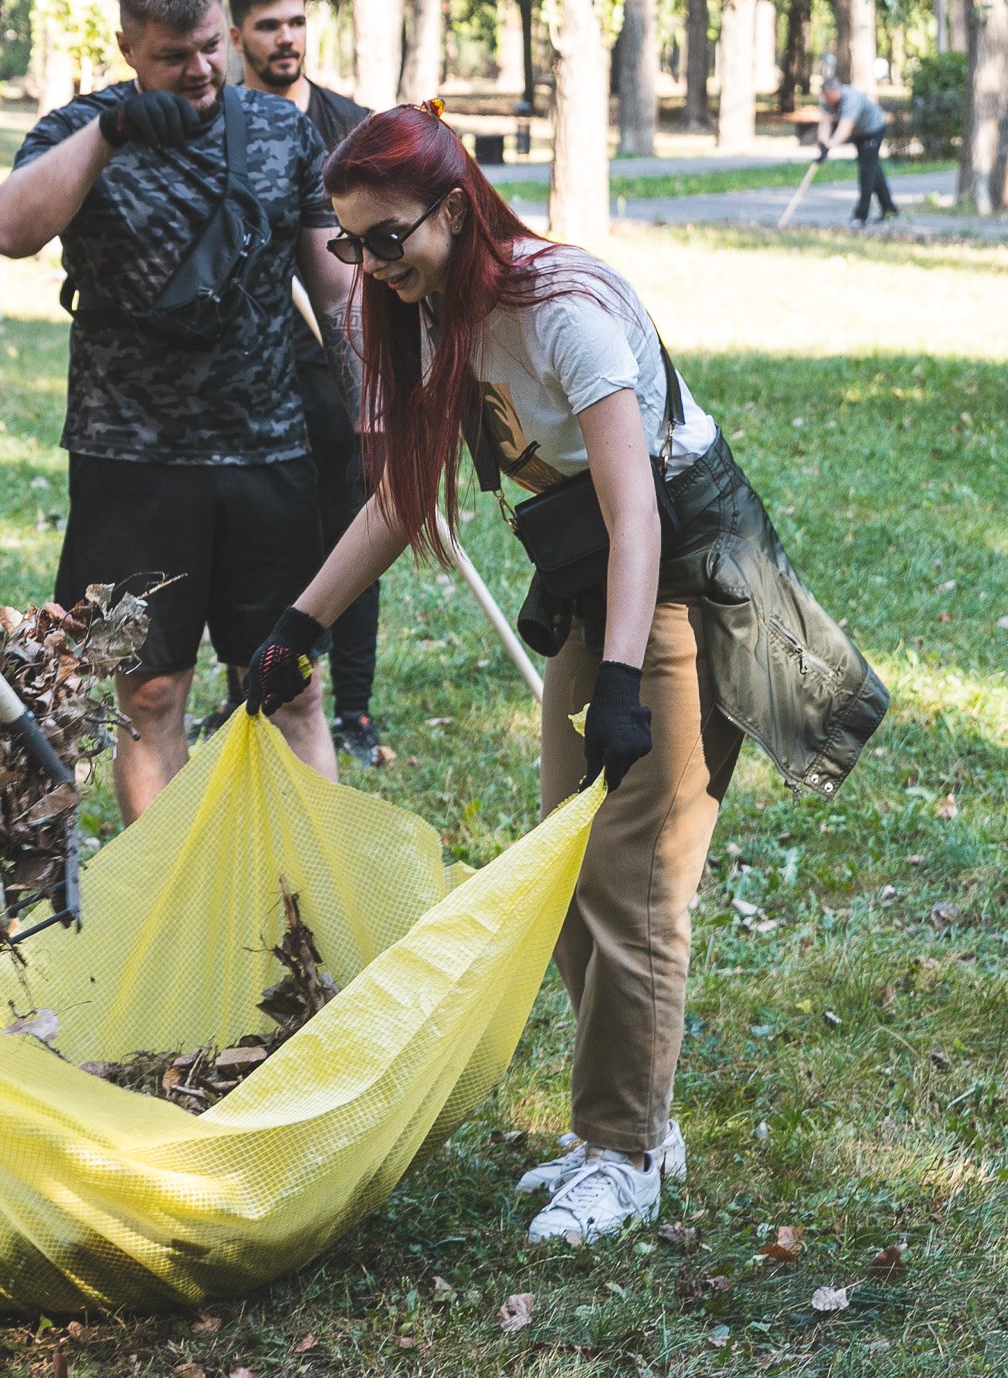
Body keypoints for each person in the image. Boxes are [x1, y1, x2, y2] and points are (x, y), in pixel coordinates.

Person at [242, 105, 887, 1245]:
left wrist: (629, 680)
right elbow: (400, 495)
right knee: (566, 866)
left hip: (686, 580)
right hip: (595, 585)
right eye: (348, 244)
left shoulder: (562, 308)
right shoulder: (429, 314)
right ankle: (624, 1125)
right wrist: (299, 619)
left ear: (452, 208)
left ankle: (628, 1153)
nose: (366, 266)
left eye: (382, 238)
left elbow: (637, 511)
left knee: (634, 883)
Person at [0, 0, 359, 821]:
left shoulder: (278, 130)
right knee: (150, 699)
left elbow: (336, 293)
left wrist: (375, 413)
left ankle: (316, 900)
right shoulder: (79, 131)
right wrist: (112, 132)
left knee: (291, 687)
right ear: (126, 47)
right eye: (169, 56)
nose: (197, 72)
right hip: (131, 466)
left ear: (227, 35)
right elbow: (9, 228)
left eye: (207, 49)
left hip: (270, 453)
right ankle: (171, 910)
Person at [225, 0, 384, 764]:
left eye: (295, 23)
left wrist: (376, 387)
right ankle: (247, 688)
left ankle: (353, 708)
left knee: (357, 526)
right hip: (264, 372)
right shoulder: (225, 126)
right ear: (237, 36)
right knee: (269, 538)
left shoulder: (348, 126)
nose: (284, 39)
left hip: (342, 371)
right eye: (266, 26)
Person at [816, 76, 897, 225]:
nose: (826, 99)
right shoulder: (825, 100)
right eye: (824, 96)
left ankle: (861, 215)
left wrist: (831, 145)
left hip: (873, 129)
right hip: (858, 133)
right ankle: (890, 209)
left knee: (867, 171)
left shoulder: (851, 99)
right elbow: (825, 122)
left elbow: (845, 128)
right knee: (873, 169)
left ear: (836, 91)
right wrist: (822, 144)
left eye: (828, 96)